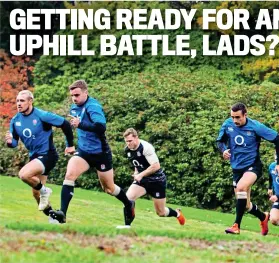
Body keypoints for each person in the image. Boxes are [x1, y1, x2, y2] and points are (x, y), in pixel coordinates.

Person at [49, 80, 134, 224]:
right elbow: (72, 128)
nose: (74, 98)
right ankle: (62, 213)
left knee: (108, 188)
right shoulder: (74, 108)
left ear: (85, 93)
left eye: (77, 95)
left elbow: (101, 127)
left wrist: (80, 124)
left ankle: (128, 203)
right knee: (69, 174)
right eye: (72, 96)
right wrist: (70, 145)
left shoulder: (93, 106)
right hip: (84, 152)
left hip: (100, 154)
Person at [5, 90, 74, 221]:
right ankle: (55, 220)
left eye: (22, 101)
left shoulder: (42, 115)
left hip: (48, 155)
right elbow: (14, 143)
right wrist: (9, 142)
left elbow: (64, 123)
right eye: (17, 101)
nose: (19, 104)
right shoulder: (15, 121)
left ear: (30, 101)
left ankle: (45, 190)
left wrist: (70, 145)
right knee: (36, 194)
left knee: (24, 174)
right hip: (35, 157)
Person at [217, 102, 279, 235]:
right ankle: (263, 217)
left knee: (241, 187)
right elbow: (219, 141)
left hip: (252, 166)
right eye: (232, 117)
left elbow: (278, 140)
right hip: (236, 168)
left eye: (238, 117)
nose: (235, 120)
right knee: (246, 204)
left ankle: (236, 226)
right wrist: (224, 150)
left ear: (245, 115)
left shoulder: (255, 126)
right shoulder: (228, 124)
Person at [120, 128, 185, 228]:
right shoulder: (127, 150)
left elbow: (156, 166)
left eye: (130, 141)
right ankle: (127, 227)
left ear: (136, 138)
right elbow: (137, 164)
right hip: (143, 180)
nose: (128, 143)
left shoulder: (146, 147)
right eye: (126, 141)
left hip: (157, 181)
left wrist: (140, 175)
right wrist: (136, 173)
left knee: (161, 212)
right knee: (128, 199)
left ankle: (177, 213)